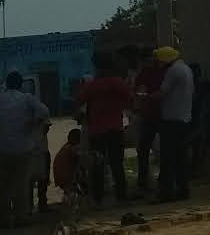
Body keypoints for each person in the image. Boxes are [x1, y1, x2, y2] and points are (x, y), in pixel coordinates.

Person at [0, 71, 49, 227]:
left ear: (6, 83)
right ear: (20, 84)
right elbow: (44, 111)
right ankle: (21, 217)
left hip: (2, 149)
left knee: (2, 186)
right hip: (23, 148)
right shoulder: (27, 99)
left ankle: (2, 218)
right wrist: (33, 123)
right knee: (21, 185)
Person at [71, 52, 135, 204]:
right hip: (115, 128)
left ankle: (98, 199)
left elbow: (78, 102)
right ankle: (121, 196)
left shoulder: (92, 85)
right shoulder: (119, 82)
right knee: (117, 165)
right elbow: (131, 100)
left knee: (97, 166)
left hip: (97, 131)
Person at [154, 45, 194, 202]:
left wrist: (145, 97)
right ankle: (182, 189)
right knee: (180, 157)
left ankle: (166, 192)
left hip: (171, 119)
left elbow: (162, 93)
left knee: (167, 158)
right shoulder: (185, 69)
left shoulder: (172, 71)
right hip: (184, 118)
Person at [130, 46, 166, 197]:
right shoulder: (162, 71)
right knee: (157, 149)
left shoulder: (144, 73)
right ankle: (161, 180)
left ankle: (145, 182)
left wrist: (142, 99)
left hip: (151, 114)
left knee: (145, 150)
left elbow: (138, 93)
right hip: (159, 113)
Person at [188, 63, 210, 176]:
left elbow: (206, 106)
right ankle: (193, 169)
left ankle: (193, 170)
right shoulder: (194, 87)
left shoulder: (203, 87)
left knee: (197, 146)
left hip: (200, 121)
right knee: (194, 146)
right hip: (194, 120)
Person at [52, 127, 85, 204]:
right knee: (72, 189)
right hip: (66, 176)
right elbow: (80, 159)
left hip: (59, 175)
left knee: (70, 190)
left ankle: (68, 197)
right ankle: (71, 199)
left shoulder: (65, 147)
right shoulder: (73, 148)